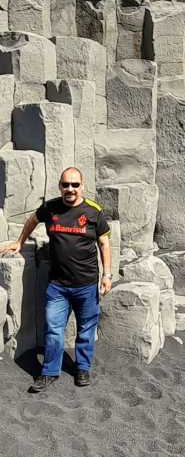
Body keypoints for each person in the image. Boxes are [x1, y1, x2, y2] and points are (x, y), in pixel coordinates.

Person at [0, 168, 112, 392]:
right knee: (53, 329)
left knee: (86, 330)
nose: (70, 189)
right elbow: (32, 219)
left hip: (86, 284)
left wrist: (107, 274)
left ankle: (82, 368)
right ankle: (50, 372)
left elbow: (104, 244)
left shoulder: (93, 212)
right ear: (60, 185)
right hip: (57, 286)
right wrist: (20, 242)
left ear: (82, 185)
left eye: (75, 185)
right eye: (66, 184)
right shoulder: (50, 208)